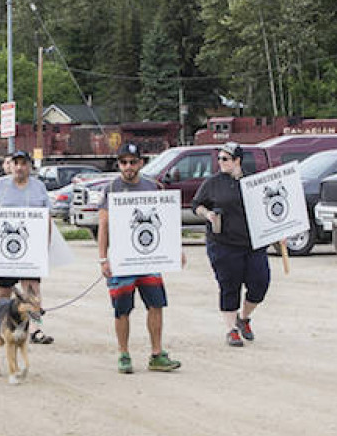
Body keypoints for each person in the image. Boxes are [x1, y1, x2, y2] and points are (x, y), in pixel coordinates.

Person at [97, 143, 181, 374]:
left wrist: (176, 250)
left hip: (149, 259)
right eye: (124, 162)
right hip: (121, 261)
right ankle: (124, 354)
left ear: (140, 163)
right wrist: (103, 259)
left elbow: (167, 221)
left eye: (133, 162)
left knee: (156, 305)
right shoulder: (112, 188)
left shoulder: (153, 186)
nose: (128, 167)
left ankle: (156, 354)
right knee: (122, 309)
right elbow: (103, 225)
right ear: (119, 164)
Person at [192, 141, 270, 347]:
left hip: (253, 243)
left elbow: (268, 207)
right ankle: (231, 330)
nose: (220, 163)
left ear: (237, 161)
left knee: (260, 283)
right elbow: (196, 205)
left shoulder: (252, 182)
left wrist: (279, 231)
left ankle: (243, 318)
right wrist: (207, 214)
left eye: (225, 159)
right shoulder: (213, 183)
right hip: (223, 243)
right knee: (229, 285)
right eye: (219, 159)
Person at [0, 150, 53, 344]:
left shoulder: (39, 187)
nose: (20, 167)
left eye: (24, 163)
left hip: (30, 249)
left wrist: (46, 244)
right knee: (4, 292)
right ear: (10, 165)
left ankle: (35, 329)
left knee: (32, 291)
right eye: (16, 163)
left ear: (29, 166)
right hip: (4, 250)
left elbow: (47, 218)